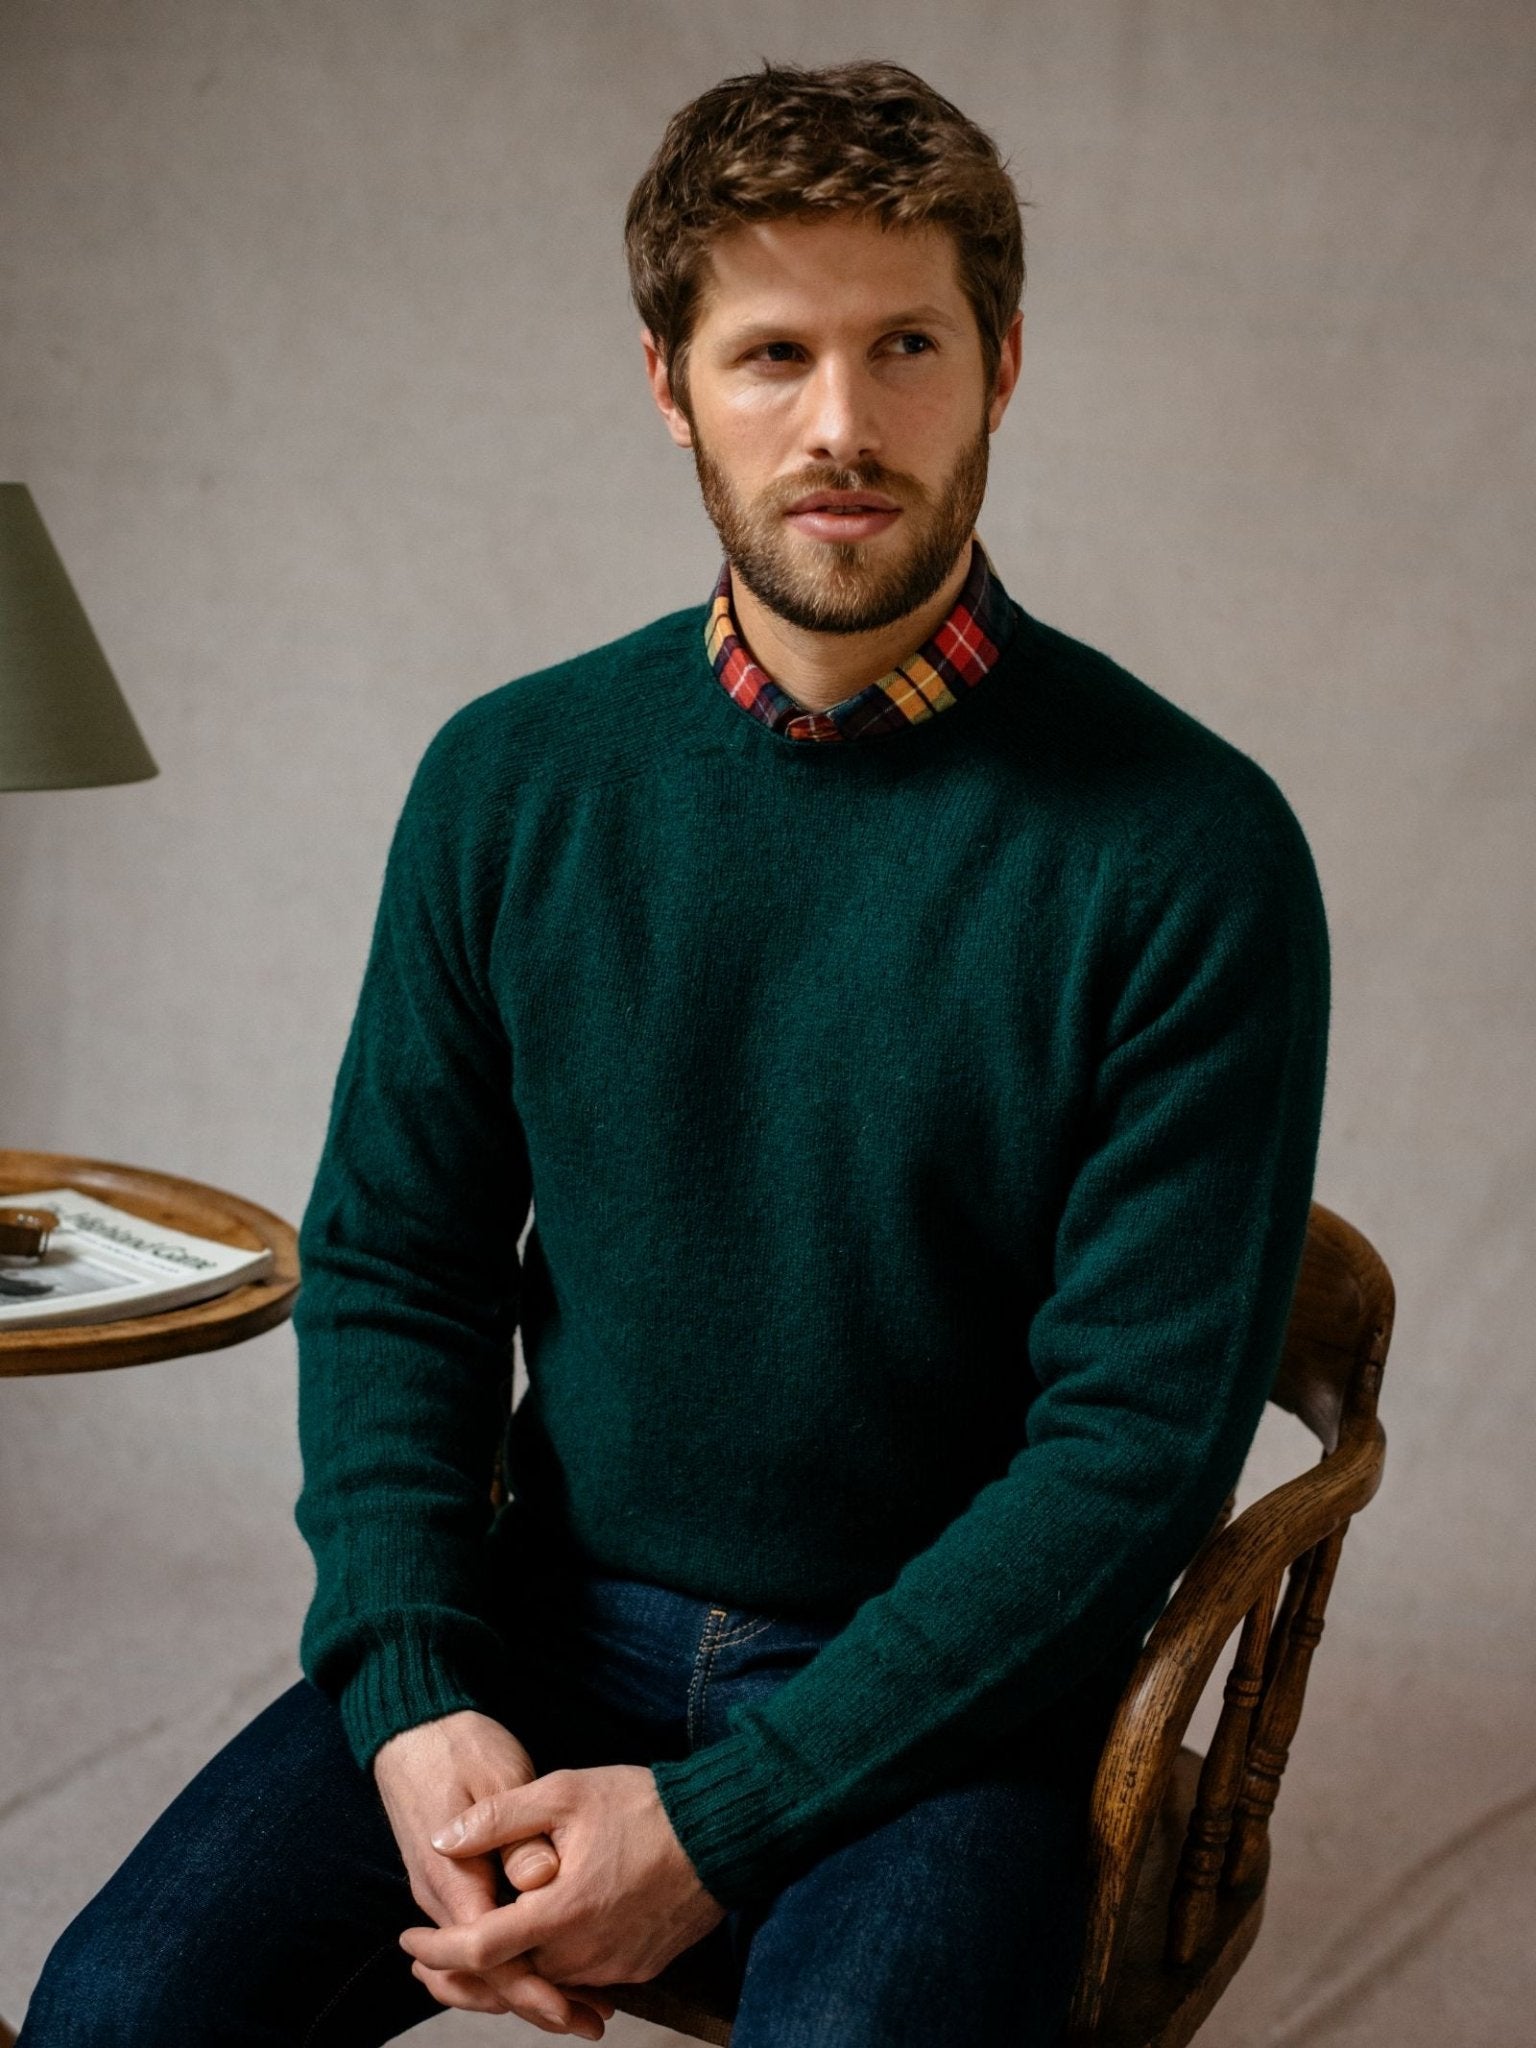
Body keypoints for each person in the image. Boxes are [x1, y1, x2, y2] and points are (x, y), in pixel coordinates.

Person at [17, 56, 1330, 2048]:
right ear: (667, 381)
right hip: (547, 1623)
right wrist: (411, 1688)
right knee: (114, 2014)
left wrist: (719, 1823)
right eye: (772, 352)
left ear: (1003, 363)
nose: (842, 424)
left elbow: (1128, 1461)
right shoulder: (513, 781)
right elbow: (398, 1266)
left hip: (940, 1699)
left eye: (906, 345)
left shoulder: (1191, 852)